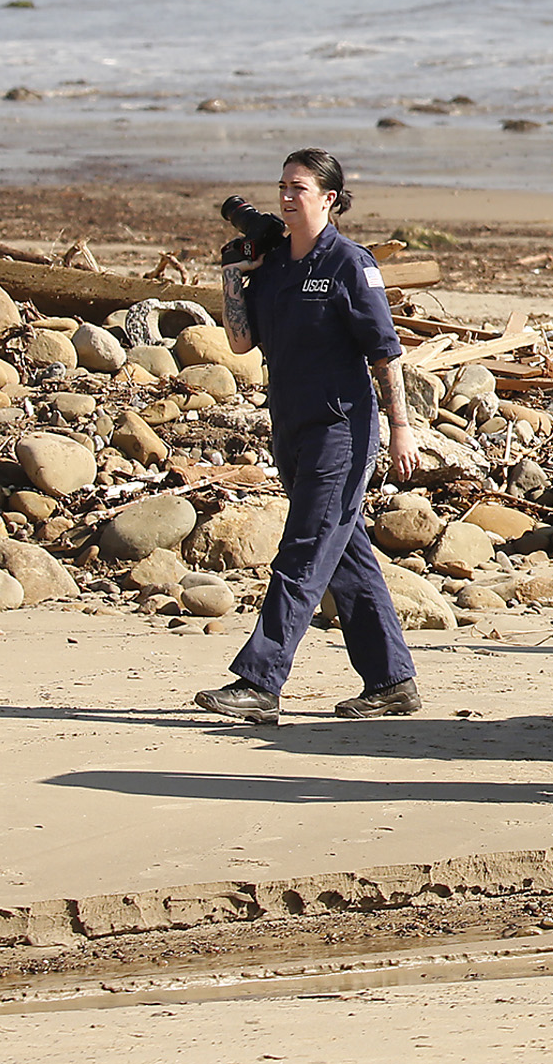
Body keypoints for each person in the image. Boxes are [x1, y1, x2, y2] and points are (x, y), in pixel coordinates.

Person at [194, 149, 422, 724]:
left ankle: (259, 681)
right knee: (344, 552)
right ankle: (392, 682)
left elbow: (385, 353)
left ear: (329, 198)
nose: (287, 198)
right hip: (291, 427)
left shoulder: (350, 264)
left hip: (342, 430)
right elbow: (242, 344)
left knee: (301, 551)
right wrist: (232, 278)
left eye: (300, 188)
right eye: (282, 187)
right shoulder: (273, 268)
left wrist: (401, 429)